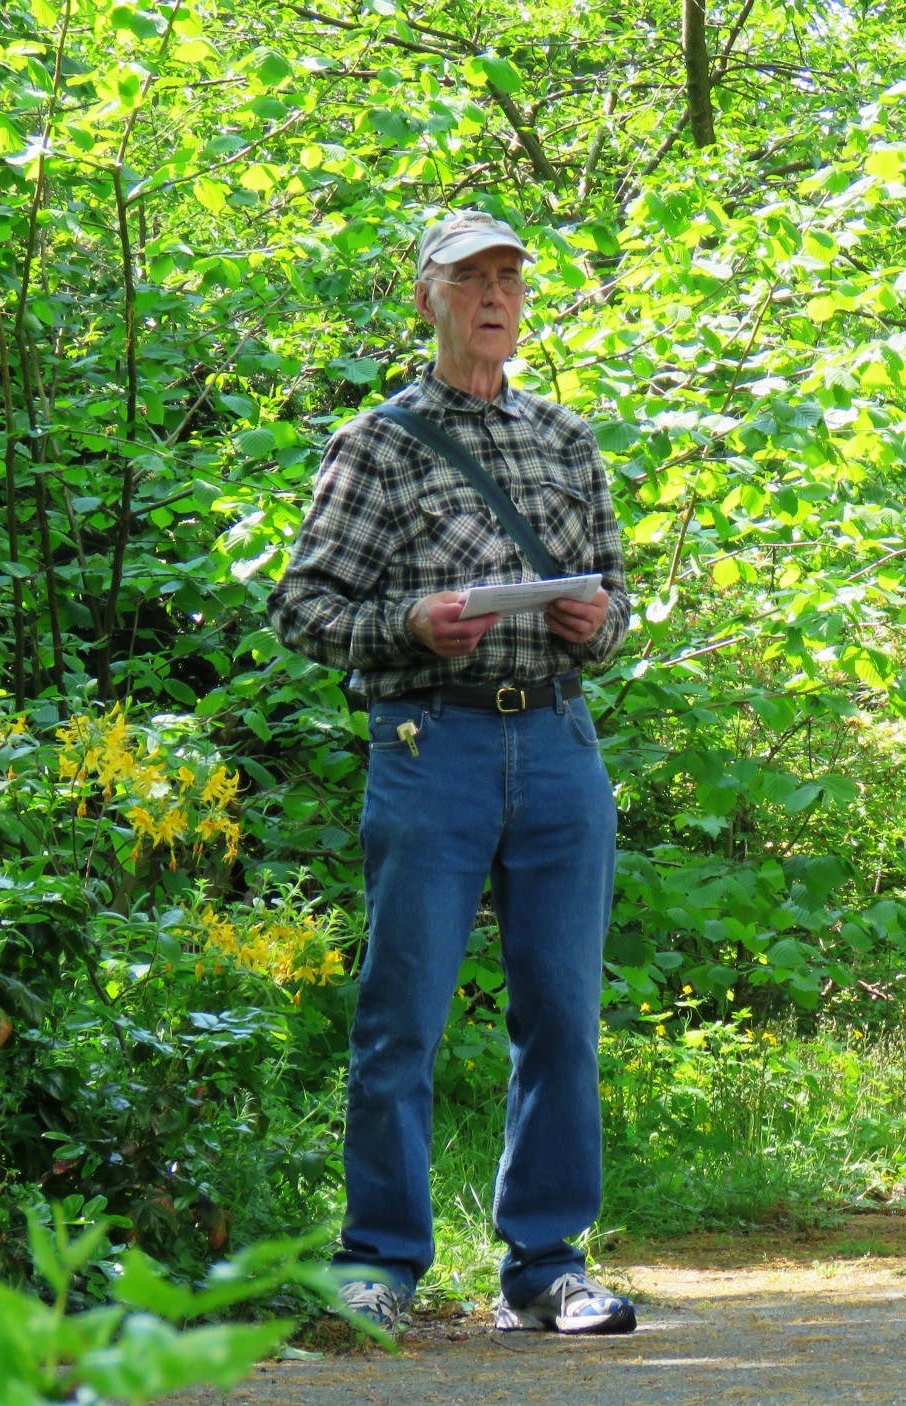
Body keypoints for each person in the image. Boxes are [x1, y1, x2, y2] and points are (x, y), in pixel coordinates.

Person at [268, 210, 636, 1335]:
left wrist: (594, 620)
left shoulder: (567, 438)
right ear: (425, 297)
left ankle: (547, 1268)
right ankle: (376, 1262)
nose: (493, 296)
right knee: (402, 1014)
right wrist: (408, 624)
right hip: (432, 743)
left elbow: (621, 604)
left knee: (564, 1015)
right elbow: (298, 607)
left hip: (561, 746)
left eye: (508, 279)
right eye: (469, 278)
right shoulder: (373, 444)